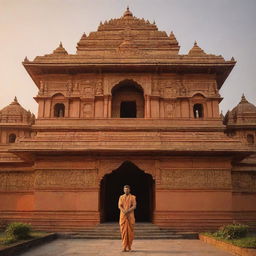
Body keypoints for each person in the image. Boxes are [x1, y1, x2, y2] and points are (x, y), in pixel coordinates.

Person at [118, 185, 136, 252]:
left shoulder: (133, 197)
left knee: (130, 232)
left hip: (130, 215)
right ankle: (124, 247)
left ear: (129, 190)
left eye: (127, 189)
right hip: (123, 216)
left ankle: (129, 247)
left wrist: (128, 210)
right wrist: (124, 211)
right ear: (123, 190)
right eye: (125, 189)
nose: (126, 190)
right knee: (123, 232)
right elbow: (119, 206)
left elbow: (134, 206)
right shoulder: (121, 197)